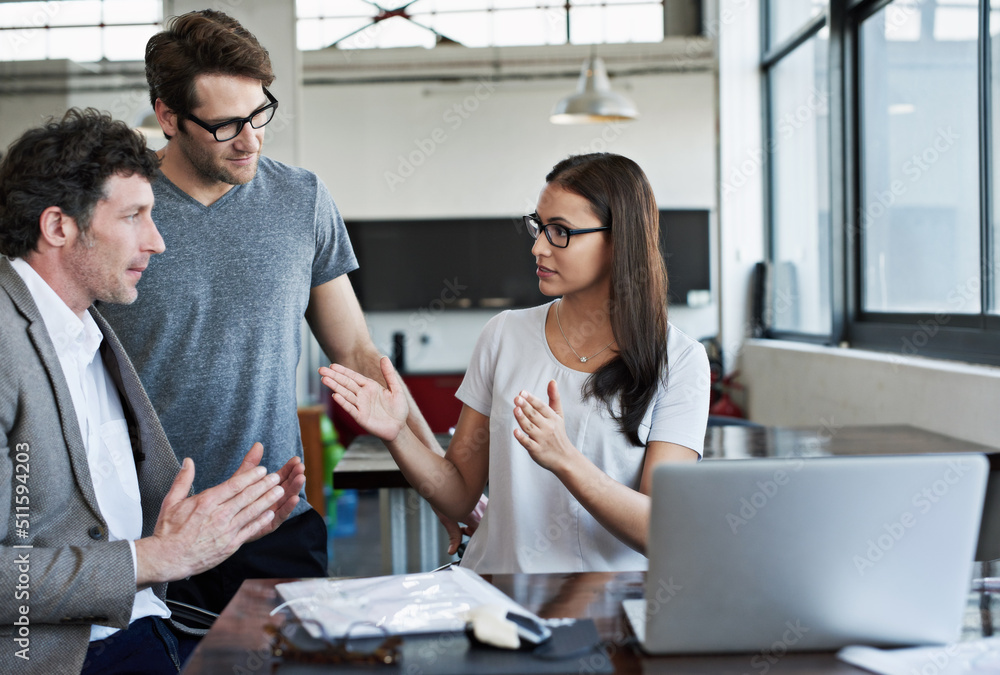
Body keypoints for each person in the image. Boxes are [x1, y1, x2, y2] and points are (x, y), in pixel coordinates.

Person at [97, 9, 479, 612]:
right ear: (167, 117)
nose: (250, 139)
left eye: (258, 115)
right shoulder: (114, 209)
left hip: (274, 521)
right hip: (145, 533)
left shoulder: (301, 199)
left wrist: (439, 486)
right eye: (225, 125)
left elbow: (357, 356)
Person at [0, 108, 305, 674]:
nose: (158, 242)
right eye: (135, 216)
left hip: (147, 629)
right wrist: (155, 557)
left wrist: (216, 528)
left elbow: (91, 517)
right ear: (59, 226)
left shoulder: (91, 331)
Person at [322, 153, 711, 573]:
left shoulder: (680, 360)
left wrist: (565, 459)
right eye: (539, 226)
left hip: (611, 606)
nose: (538, 246)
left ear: (619, 241)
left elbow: (662, 531)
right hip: (499, 598)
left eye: (560, 231)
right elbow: (457, 494)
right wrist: (398, 433)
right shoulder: (503, 334)